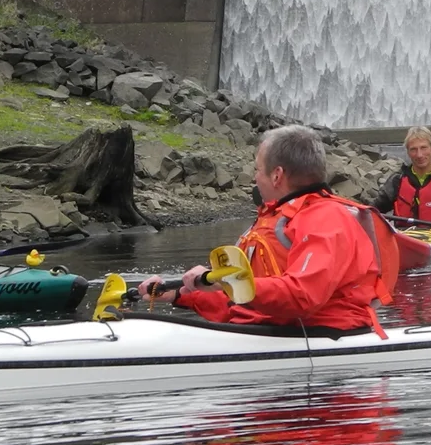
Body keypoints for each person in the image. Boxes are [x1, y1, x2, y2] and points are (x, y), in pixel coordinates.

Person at [140, 125, 399, 335]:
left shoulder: (326, 219)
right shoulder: (271, 220)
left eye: (257, 169)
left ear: (276, 175)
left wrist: (225, 281)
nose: (255, 177)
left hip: (316, 335)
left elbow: (301, 296)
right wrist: (179, 295)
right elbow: (243, 300)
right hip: (268, 332)